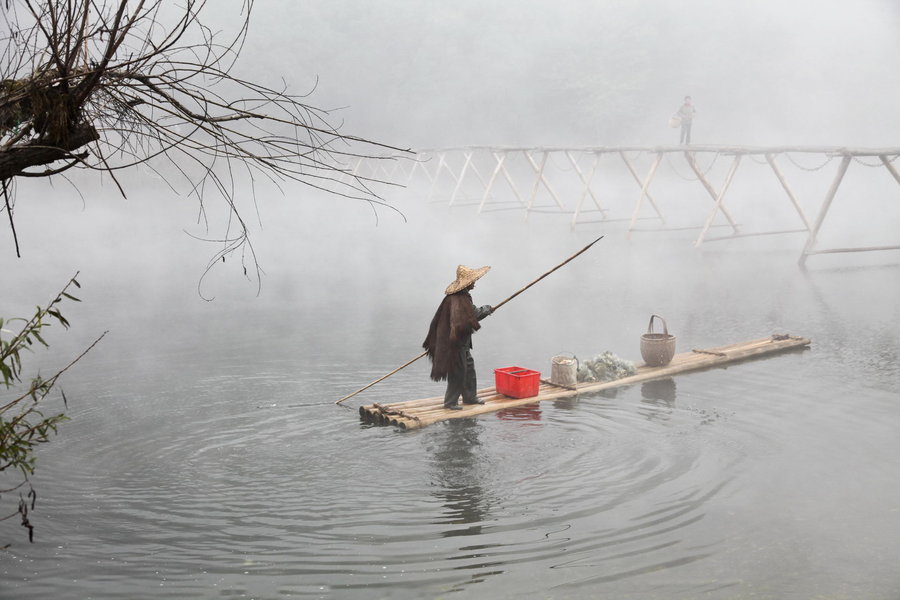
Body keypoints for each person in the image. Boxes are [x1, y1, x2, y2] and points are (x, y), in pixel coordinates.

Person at [423, 265, 493, 410]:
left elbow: (469, 315)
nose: (475, 282)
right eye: (473, 280)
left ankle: (470, 397)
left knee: (469, 369)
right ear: (467, 283)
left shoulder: (462, 296)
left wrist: (484, 310)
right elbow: (472, 315)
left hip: (463, 342)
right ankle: (450, 403)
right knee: (458, 373)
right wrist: (486, 310)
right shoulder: (458, 299)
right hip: (455, 343)